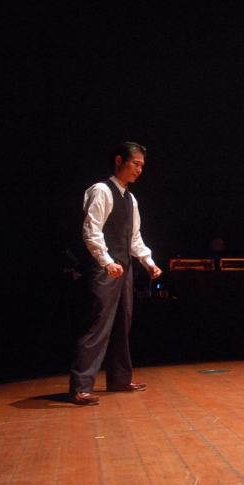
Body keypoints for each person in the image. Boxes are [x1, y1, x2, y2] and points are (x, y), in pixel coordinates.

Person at [69, 142, 163, 406]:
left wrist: (148, 262)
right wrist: (106, 261)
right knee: (97, 324)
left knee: (123, 323)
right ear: (119, 160)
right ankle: (81, 386)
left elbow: (134, 237)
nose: (139, 170)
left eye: (142, 166)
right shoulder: (102, 190)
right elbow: (92, 229)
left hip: (124, 268)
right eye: (135, 164)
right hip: (105, 268)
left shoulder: (130, 198)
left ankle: (120, 378)